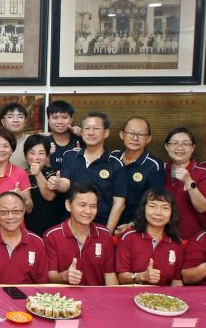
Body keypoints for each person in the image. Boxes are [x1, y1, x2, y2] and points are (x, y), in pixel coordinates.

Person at [56, 112, 128, 232]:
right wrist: (57, 184)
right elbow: (65, 184)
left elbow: (119, 204)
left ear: (106, 133)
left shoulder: (116, 164)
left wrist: (107, 233)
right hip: (71, 225)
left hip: (100, 226)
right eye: (87, 128)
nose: (90, 132)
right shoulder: (70, 156)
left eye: (96, 128)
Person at [44, 182, 118, 286]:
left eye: (93, 206)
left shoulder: (105, 235)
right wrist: (65, 276)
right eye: (82, 205)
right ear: (68, 205)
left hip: (97, 298)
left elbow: (110, 274)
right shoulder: (52, 236)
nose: (88, 211)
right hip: (64, 299)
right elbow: (50, 275)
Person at [117, 188, 185, 286]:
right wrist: (142, 276)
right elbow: (121, 277)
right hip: (133, 296)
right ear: (143, 209)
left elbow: (176, 281)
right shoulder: (128, 237)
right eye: (152, 206)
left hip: (164, 299)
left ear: (172, 214)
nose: (158, 213)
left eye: (165, 208)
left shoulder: (176, 243)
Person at [110, 117, 164, 232]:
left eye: (141, 134)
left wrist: (132, 224)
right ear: (122, 135)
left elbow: (153, 201)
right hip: (107, 221)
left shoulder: (154, 165)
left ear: (148, 138)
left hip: (136, 226)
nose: (135, 138)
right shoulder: (112, 157)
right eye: (131, 133)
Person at [162, 127, 206, 239]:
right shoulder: (160, 170)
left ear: (192, 148)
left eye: (185, 144)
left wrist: (188, 181)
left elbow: (202, 208)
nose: (179, 148)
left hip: (194, 239)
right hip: (163, 238)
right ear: (167, 147)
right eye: (174, 143)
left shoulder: (203, 173)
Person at [42, 101, 83, 234]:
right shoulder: (43, 143)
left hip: (77, 200)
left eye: (64, 117)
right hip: (50, 202)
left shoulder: (81, 141)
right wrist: (47, 158)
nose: (60, 121)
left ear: (71, 119)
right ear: (48, 119)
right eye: (54, 117)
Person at [23, 134, 60, 236]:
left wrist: (38, 173)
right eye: (32, 153)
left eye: (41, 153)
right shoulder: (20, 174)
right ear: (26, 155)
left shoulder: (52, 174)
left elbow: (49, 196)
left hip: (49, 230)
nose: (36, 157)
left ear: (47, 155)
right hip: (25, 230)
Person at [0, 103, 32, 169]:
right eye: (10, 117)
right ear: (3, 121)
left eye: (20, 117)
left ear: (25, 122)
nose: (15, 120)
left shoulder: (32, 141)